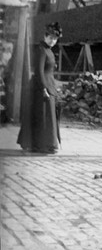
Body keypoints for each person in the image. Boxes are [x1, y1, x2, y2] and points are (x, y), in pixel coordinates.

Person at [17, 22, 62, 154]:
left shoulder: (49, 50)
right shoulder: (41, 50)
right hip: (41, 87)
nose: (52, 41)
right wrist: (44, 89)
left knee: (48, 116)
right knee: (42, 116)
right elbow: (39, 71)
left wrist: (53, 87)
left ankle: (48, 144)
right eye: (50, 38)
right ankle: (41, 145)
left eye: (55, 39)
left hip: (50, 84)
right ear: (45, 36)